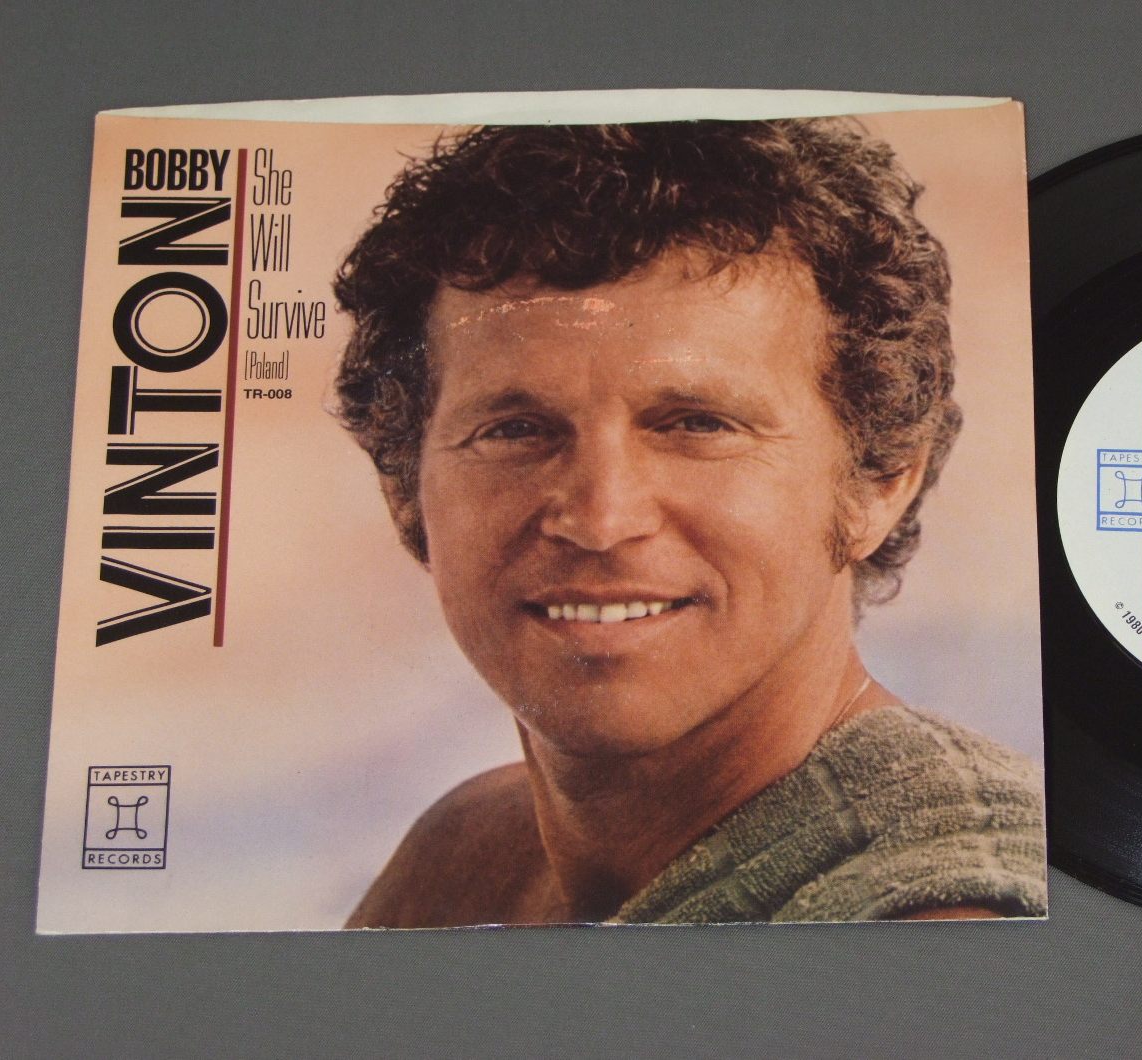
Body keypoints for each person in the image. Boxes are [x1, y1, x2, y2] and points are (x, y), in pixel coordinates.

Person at [332, 119, 1045, 926]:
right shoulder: (466, 860)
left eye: (698, 425)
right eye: (515, 431)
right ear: (404, 490)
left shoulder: (945, 925)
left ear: (878, 482)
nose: (601, 519)